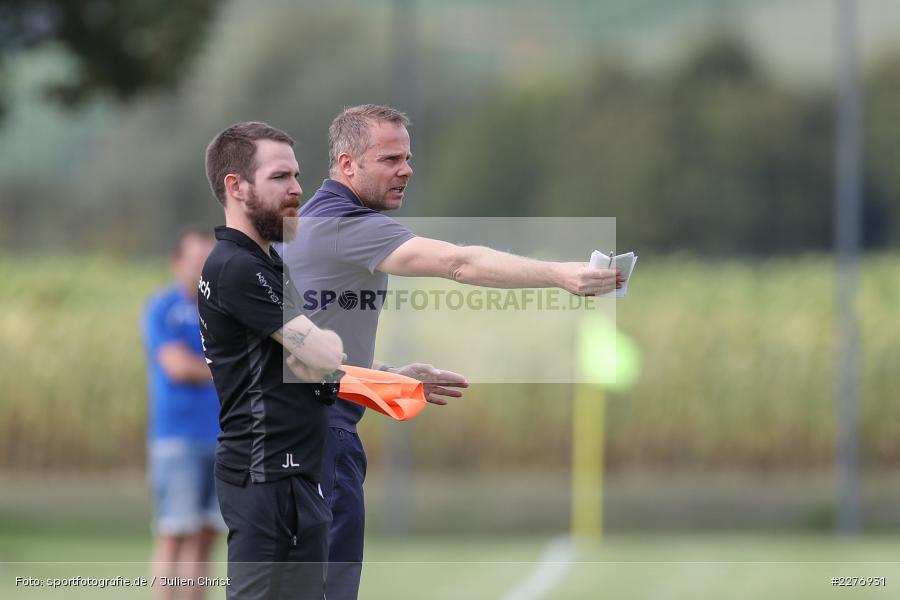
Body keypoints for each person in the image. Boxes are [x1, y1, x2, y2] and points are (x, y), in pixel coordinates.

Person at [282, 104, 624, 600]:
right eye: (390, 159)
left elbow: (301, 350)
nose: (406, 169)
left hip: (289, 431)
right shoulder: (347, 226)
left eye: (408, 157)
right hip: (322, 435)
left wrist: (384, 375)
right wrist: (560, 275)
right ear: (347, 164)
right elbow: (460, 264)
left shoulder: (304, 223)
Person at [199, 122, 345, 600]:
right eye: (280, 177)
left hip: (290, 475)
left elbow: (308, 363)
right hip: (266, 478)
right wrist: (321, 353)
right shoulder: (235, 267)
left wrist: (392, 379)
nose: (297, 189)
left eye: (297, 176)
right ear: (236, 186)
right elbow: (319, 354)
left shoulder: (263, 262)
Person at [142, 228, 223, 600]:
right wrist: (228, 368)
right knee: (176, 530)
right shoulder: (163, 308)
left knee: (206, 534)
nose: (203, 270)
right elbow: (176, 366)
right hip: (178, 439)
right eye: (196, 261)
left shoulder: (223, 312)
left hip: (223, 438)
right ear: (178, 262)